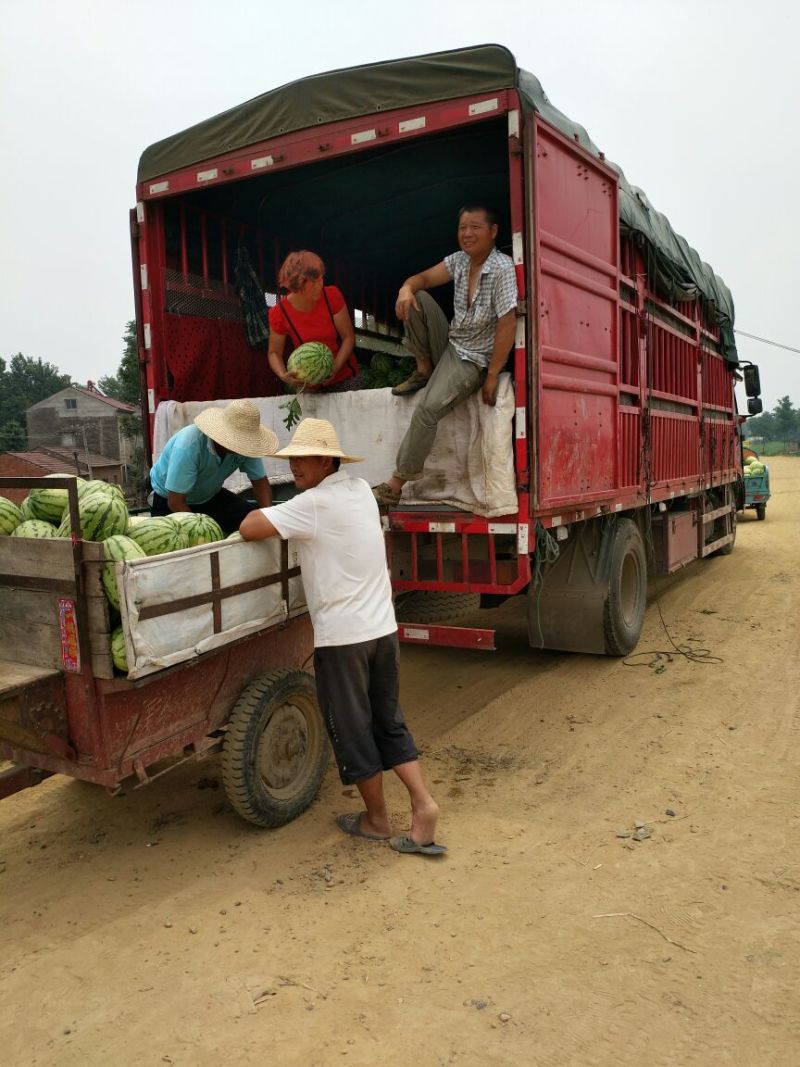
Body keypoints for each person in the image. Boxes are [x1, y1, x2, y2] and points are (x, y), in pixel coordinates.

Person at [240, 417, 446, 857]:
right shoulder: (360, 493)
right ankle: (423, 804)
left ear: (327, 460)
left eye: (304, 458)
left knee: (352, 730)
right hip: (382, 631)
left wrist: (278, 508)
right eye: (292, 459)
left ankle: (375, 820)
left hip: (343, 640)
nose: (295, 466)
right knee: (388, 721)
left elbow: (249, 527)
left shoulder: (313, 504)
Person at [372, 205, 518, 506]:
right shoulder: (460, 261)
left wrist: (492, 375)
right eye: (463, 227)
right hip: (451, 345)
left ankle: (395, 485)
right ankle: (424, 369)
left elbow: (507, 323)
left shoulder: (502, 269)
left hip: (472, 360)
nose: (467, 233)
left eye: (475, 227)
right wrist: (405, 288)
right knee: (418, 299)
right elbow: (422, 279)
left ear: (493, 232)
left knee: (426, 410)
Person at [149, 399, 277, 535]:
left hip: (209, 496)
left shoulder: (246, 446)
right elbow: (175, 501)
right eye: (239, 440)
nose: (242, 446)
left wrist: (268, 518)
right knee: (187, 544)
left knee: (251, 520)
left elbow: (260, 482)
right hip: (169, 501)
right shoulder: (189, 445)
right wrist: (202, 534)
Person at [267, 250, 360, 391]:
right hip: (310, 385)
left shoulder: (332, 296)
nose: (320, 285)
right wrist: (282, 375)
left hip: (346, 379)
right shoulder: (279, 313)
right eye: (314, 282)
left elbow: (348, 337)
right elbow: (274, 352)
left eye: (321, 278)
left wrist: (334, 368)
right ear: (297, 287)